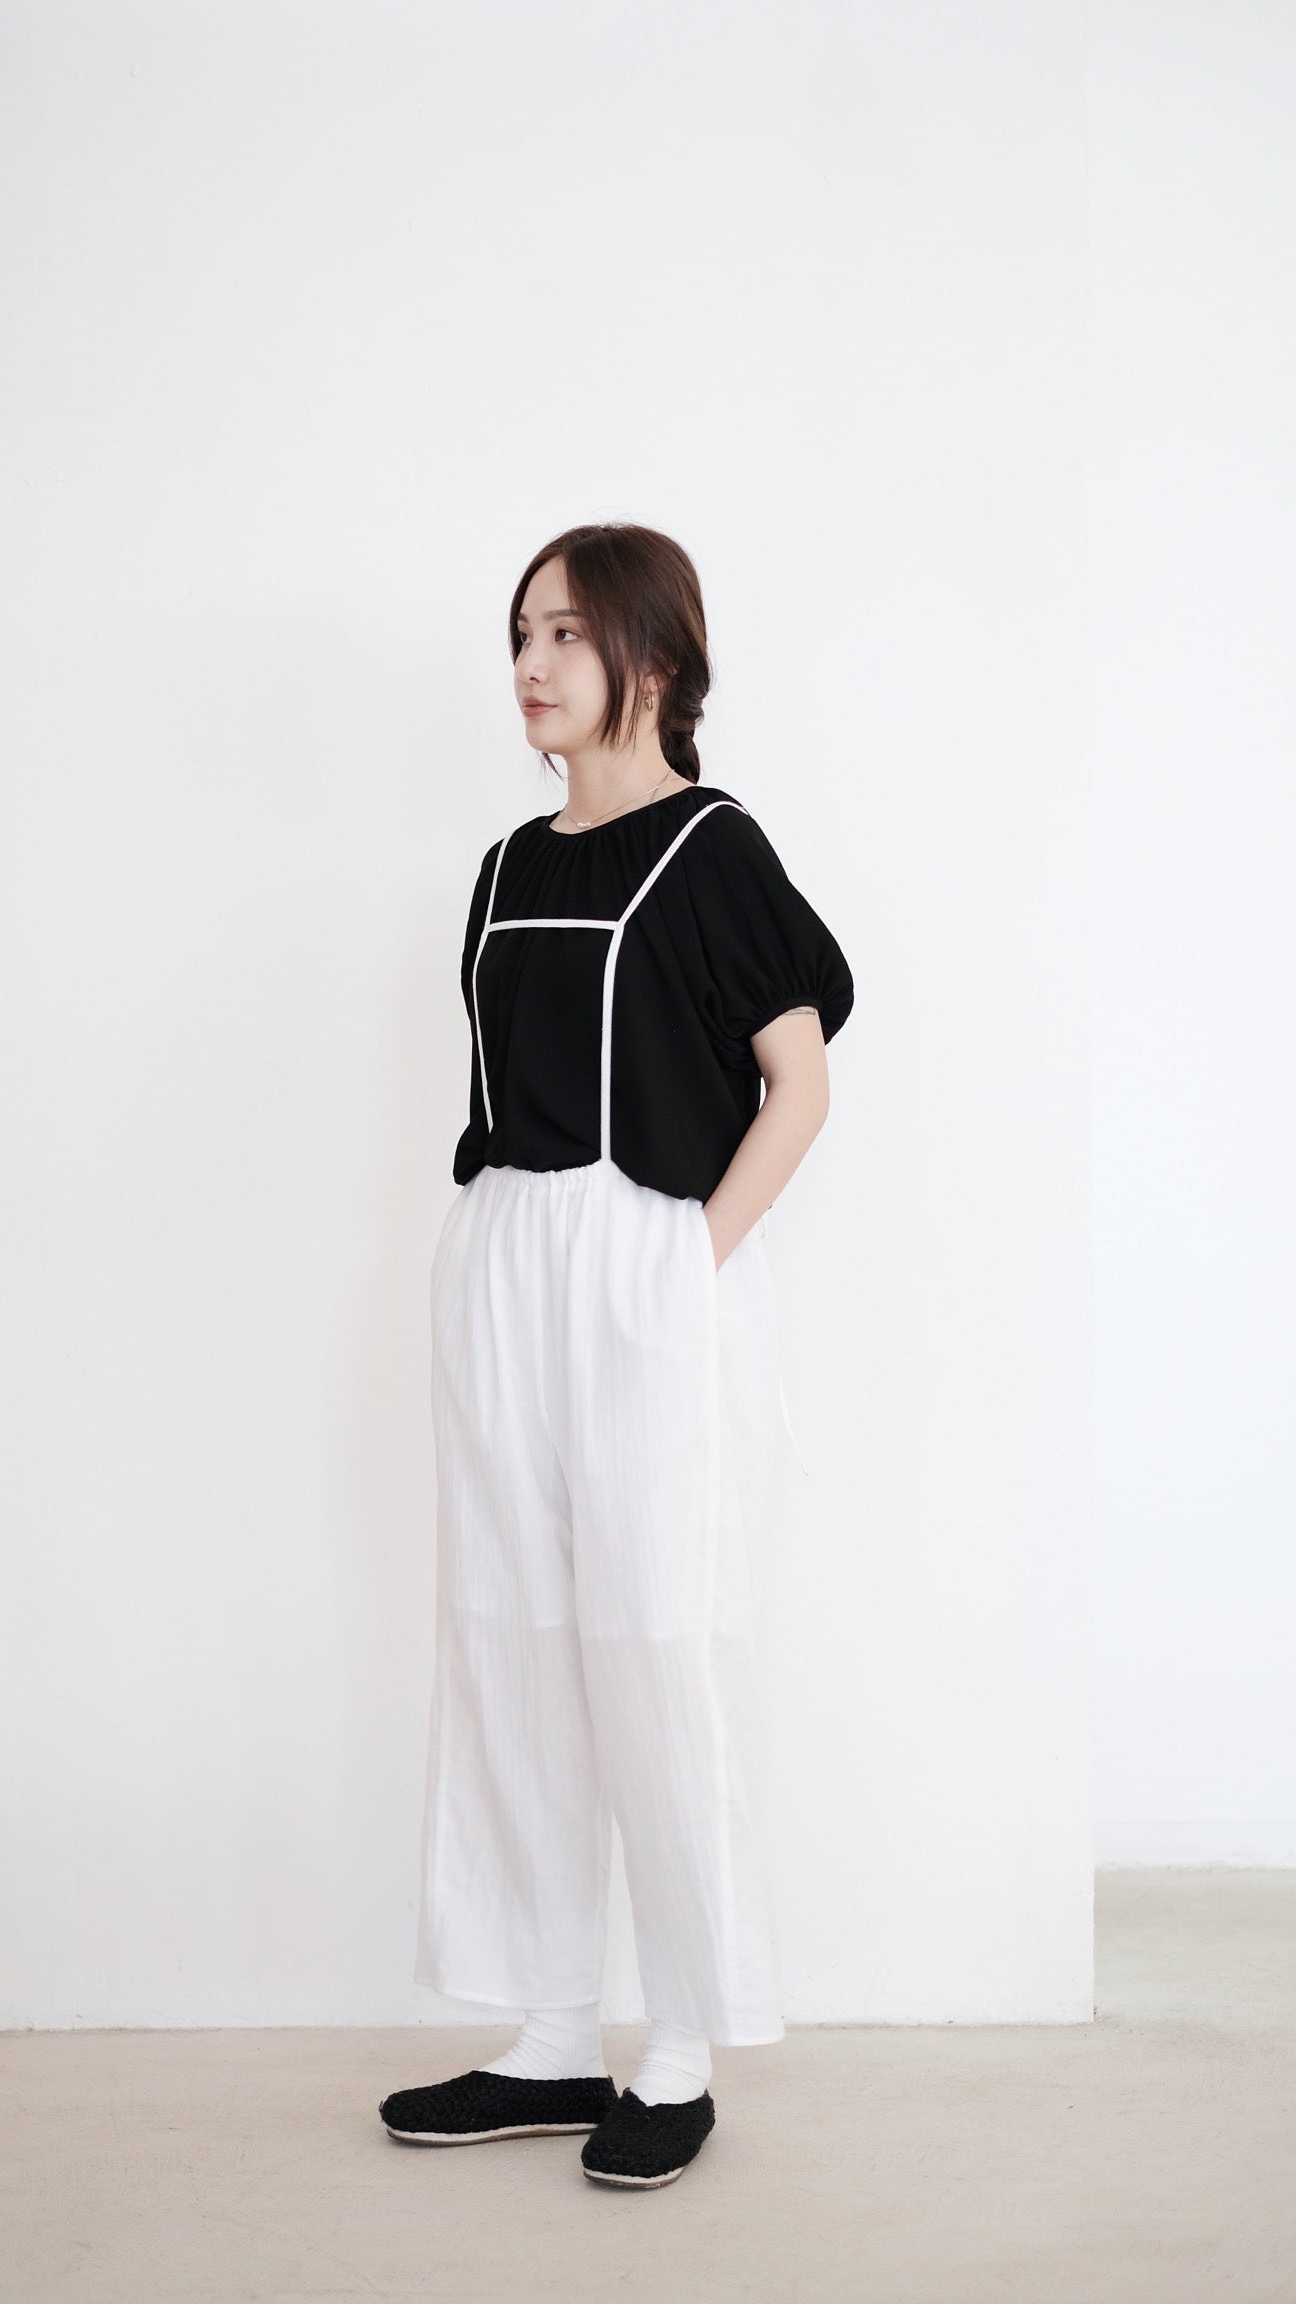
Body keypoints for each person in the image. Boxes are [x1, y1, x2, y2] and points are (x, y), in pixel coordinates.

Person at [379, 522, 854, 2190]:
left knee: (660, 1641)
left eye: (566, 634)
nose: (530, 664)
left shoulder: (715, 852)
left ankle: (681, 2048)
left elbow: (799, 1082)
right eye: (521, 633)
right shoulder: (507, 868)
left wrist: (683, 1266)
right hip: (508, 1259)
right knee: (512, 1635)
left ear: (652, 655)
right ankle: (551, 2033)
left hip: (649, 1264)